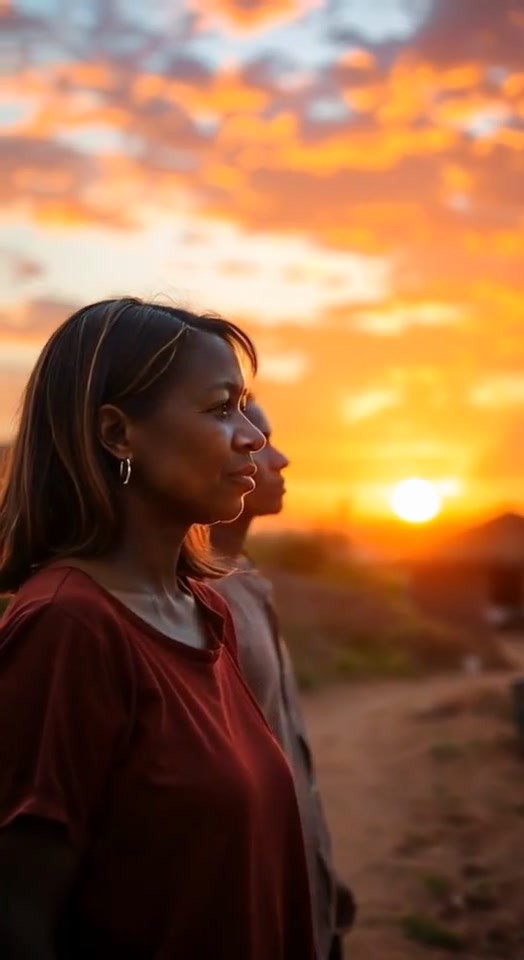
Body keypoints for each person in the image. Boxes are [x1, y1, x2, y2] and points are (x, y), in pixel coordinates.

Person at [0, 298, 317, 960]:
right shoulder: (67, 629)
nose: (253, 438)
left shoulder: (206, 611)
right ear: (118, 434)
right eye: (219, 408)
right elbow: (20, 918)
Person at [211, 397, 357, 960]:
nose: (282, 459)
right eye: (261, 441)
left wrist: (321, 880)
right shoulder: (190, 602)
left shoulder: (243, 580)